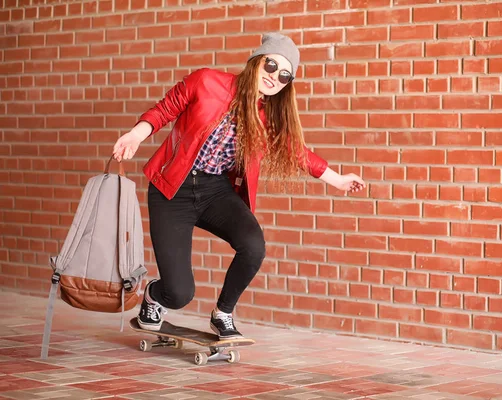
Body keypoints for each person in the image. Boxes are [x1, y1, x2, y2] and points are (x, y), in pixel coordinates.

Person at [112, 33, 366, 339]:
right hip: (172, 190)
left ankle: (223, 313)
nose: (274, 77)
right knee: (179, 294)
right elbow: (166, 108)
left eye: (284, 75)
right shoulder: (206, 81)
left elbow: (295, 151)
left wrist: (338, 179)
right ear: (257, 61)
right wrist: (136, 135)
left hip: (215, 191)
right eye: (271, 65)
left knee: (253, 245)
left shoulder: (267, 116)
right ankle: (154, 296)